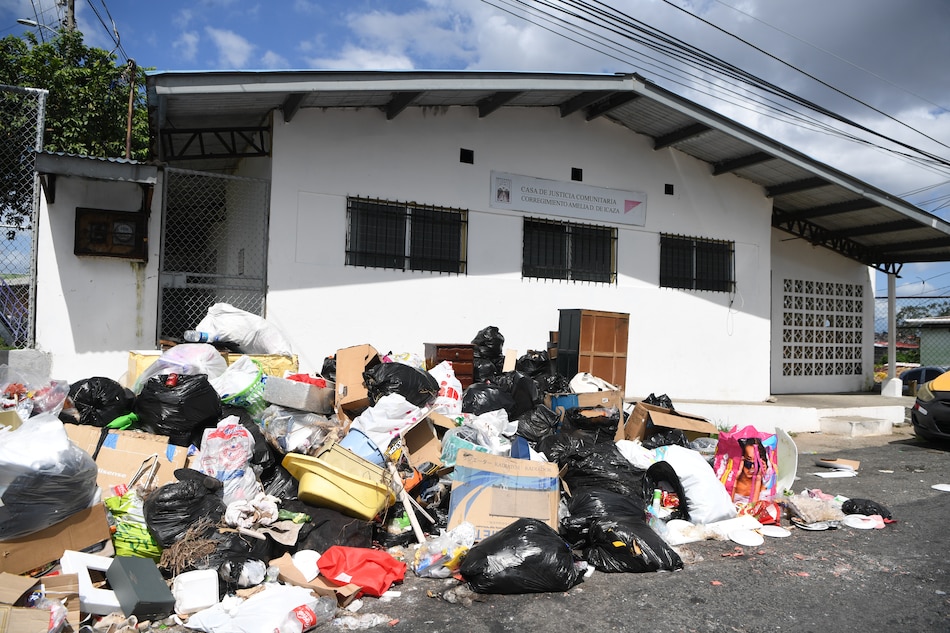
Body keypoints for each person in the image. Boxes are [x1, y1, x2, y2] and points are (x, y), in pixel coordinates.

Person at [732, 438, 770, 504]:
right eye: (748, 462)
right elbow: (726, 507)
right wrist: (735, 479)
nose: (752, 467)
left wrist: (758, 479)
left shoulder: (763, 488)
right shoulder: (729, 480)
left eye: (756, 463)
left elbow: (753, 510)